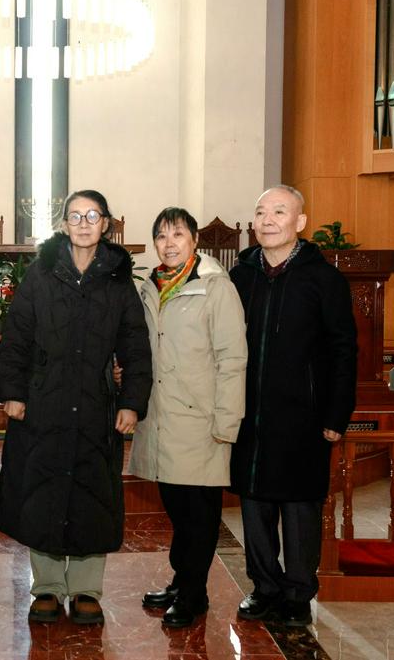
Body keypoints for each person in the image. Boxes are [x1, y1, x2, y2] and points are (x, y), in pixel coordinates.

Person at [0, 189, 152, 625]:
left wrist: (133, 402)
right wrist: (13, 392)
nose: (84, 223)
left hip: (96, 404)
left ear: (106, 223)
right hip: (44, 401)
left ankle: (85, 589)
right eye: (75, 215)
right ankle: (46, 586)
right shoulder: (41, 274)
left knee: (91, 492)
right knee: (42, 489)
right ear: (64, 224)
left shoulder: (119, 280)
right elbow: (16, 338)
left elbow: (136, 347)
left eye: (93, 215)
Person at [229, 185, 357, 627]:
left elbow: (345, 351)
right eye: (261, 211)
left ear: (300, 222)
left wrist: (336, 415)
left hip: (305, 415)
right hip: (248, 413)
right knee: (254, 504)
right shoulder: (240, 276)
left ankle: (299, 593)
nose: (267, 220)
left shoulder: (324, 280)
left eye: (279, 212)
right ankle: (264, 587)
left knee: (301, 507)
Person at [129, 207, 247, 628]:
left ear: (195, 239)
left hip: (202, 421)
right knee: (177, 508)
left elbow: (233, 359)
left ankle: (195, 594)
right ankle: (183, 582)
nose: (169, 243)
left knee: (199, 513)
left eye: (178, 234)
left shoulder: (216, 288)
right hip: (163, 416)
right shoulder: (149, 286)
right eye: (161, 236)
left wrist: (226, 423)